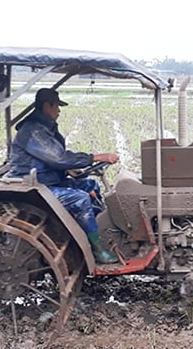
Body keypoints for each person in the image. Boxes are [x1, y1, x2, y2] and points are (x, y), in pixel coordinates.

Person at [7, 88, 119, 264]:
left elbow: (48, 159)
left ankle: (100, 232)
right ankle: (96, 251)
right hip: (35, 186)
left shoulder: (44, 128)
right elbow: (58, 158)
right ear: (46, 106)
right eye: (56, 106)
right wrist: (94, 158)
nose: (59, 111)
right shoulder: (33, 131)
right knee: (80, 199)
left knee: (91, 186)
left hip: (47, 178)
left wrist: (66, 170)